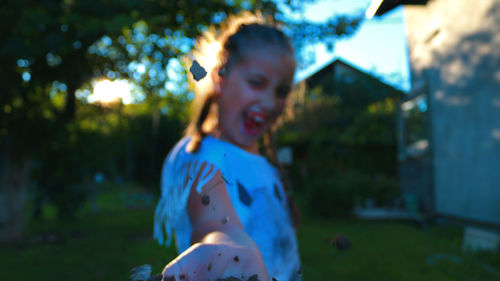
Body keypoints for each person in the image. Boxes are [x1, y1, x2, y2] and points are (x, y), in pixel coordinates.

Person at [154, 11, 302, 281]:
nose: (270, 102)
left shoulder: (264, 164)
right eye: (257, 83)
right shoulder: (200, 157)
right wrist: (223, 246)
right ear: (219, 76)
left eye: (281, 91)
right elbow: (214, 220)